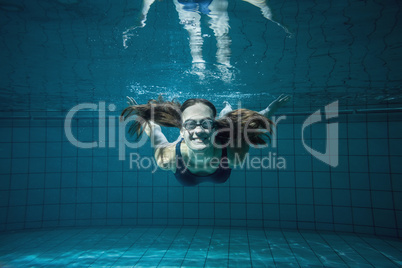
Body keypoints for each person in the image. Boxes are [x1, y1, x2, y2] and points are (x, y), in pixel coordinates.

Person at [121, 94, 291, 186]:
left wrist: (270, 109)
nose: (198, 131)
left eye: (206, 123)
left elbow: (251, 125)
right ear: (181, 130)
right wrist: (142, 115)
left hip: (219, 143)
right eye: (190, 124)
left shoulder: (233, 155)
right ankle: (224, 113)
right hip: (201, 160)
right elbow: (155, 131)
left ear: (214, 127)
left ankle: (225, 113)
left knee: (228, 124)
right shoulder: (168, 158)